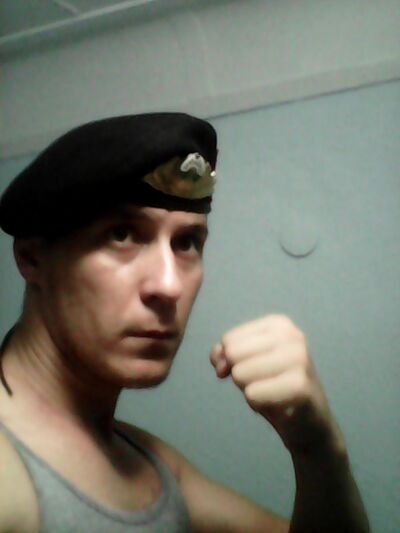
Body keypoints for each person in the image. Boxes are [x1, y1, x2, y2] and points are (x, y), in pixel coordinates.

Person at [0, 112, 369, 533]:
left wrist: (318, 448)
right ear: (32, 258)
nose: (170, 285)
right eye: (121, 234)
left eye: (187, 242)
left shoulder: (142, 460)